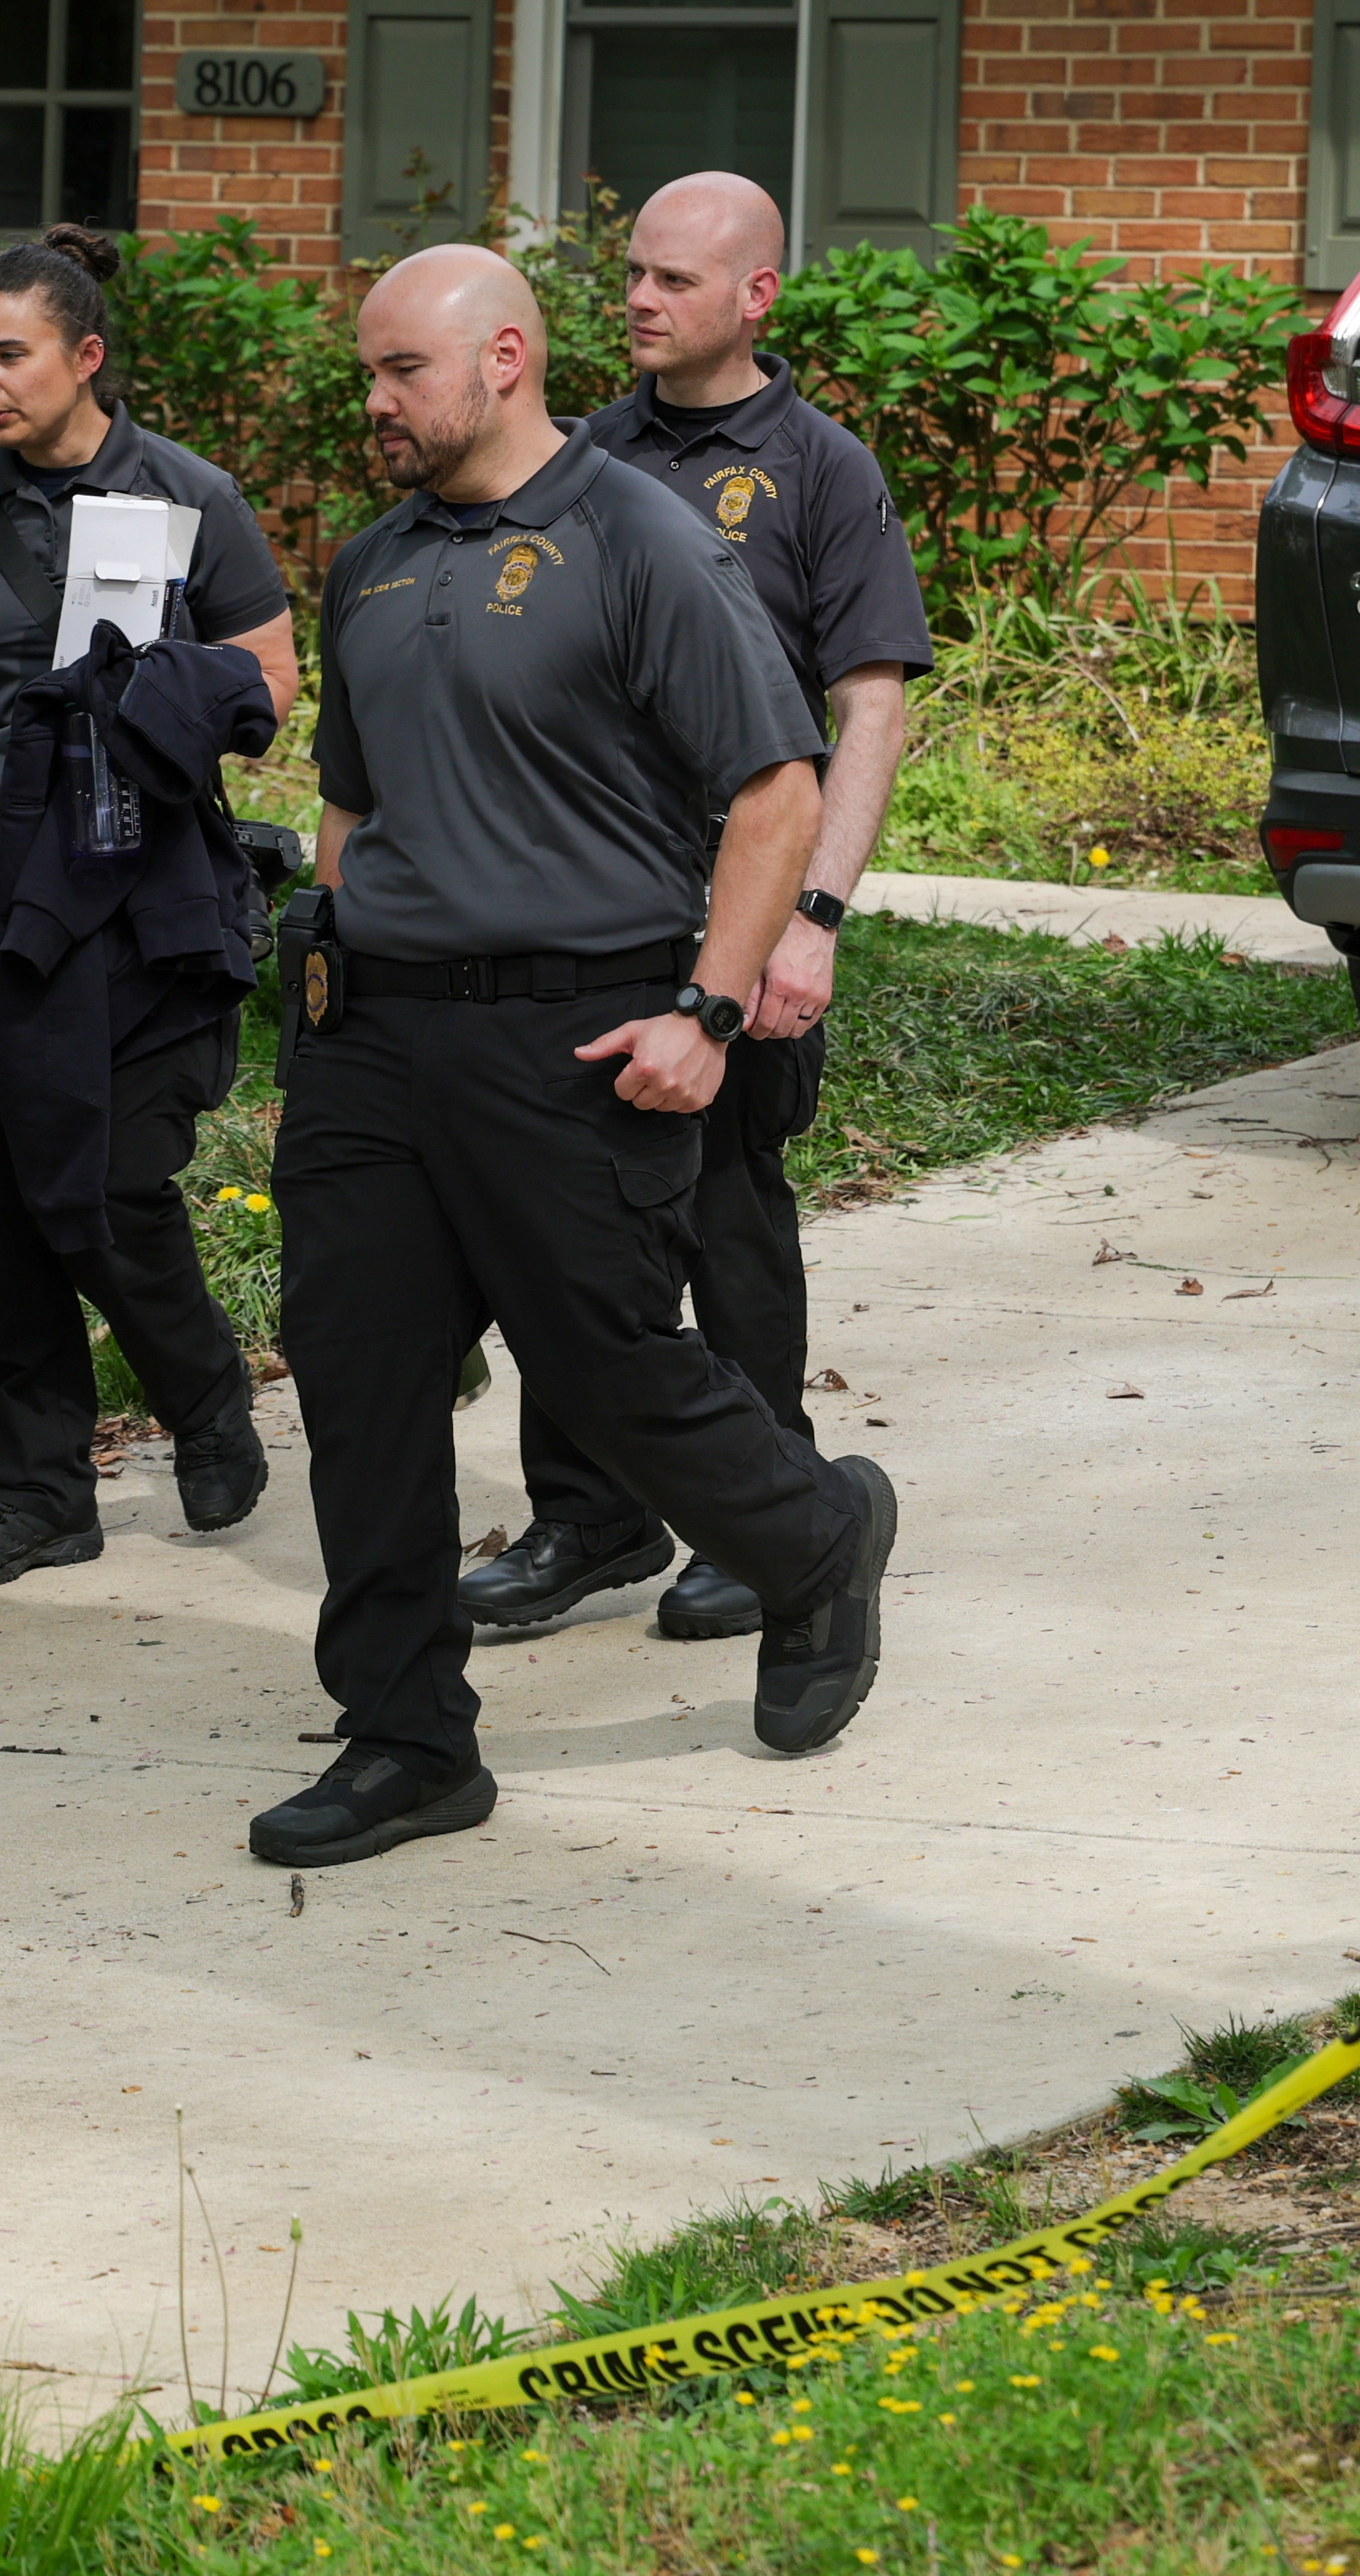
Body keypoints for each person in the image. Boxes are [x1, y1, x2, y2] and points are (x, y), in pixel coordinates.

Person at [254, 245, 898, 1869]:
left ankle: (815, 1532)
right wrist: (332, 968)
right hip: (375, 1037)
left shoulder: (643, 539)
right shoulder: (373, 563)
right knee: (360, 1386)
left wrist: (708, 1006)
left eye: (402, 369)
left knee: (607, 1366)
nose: (377, 402)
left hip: (572, 1030)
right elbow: (350, 800)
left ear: (506, 359)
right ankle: (407, 1737)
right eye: (368, 374)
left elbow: (776, 792)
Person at [459, 169, 934, 1643]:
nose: (641, 300)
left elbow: (865, 708)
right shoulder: (578, 454)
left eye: (675, 278)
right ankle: (591, 1516)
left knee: (730, 1217)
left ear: (756, 296)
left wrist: (817, 916)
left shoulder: (818, 467)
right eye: (634, 276)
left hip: (739, 912)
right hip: (588, 912)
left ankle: (766, 1508)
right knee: (570, 1224)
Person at [0, 224, 303, 1592]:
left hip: (127, 878)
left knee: (108, 1180)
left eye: (11, 355)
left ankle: (204, 1393)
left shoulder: (191, 498)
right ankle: (41, 1486)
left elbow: (271, 687)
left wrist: (159, 687)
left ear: (87, 357)